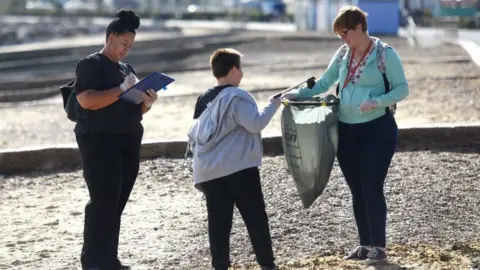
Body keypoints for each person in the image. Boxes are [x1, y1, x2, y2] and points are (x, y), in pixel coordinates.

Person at [282, 6, 409, 264]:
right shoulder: (342, 54)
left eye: (345, 33)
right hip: (346, 131)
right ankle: (364, 244)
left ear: (359, 28)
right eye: (340, 35)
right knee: (356, 190)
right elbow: (323, 83)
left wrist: (378, 102)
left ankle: (379, 247)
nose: (343, 39)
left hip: (378, 129)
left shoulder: (385, 54)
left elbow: (403, 89)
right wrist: (297, 96)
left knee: (372, 186)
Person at [74, 9, 158, 270]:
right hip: (100, 141)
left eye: (130, 46)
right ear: (111, 37)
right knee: (103, 201)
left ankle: (109, 259)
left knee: (118, 202)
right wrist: (121, 89)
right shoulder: (91, 64)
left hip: (129, 140)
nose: (126, 50)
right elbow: (86, 100)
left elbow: (135, 110)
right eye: (124, 44)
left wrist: (148, 102)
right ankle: (93, 261)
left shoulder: (126, 68)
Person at [187, 48, 280, 270]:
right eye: (241, 68)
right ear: (233, 69)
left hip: (208, 170)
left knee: (218, 221)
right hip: (238, 168)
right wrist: (273, 105)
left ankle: (220, 265)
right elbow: (255, 124)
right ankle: (267, 264)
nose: (242, 73)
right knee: (255, 216)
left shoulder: (204, 98)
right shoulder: (237, 97)